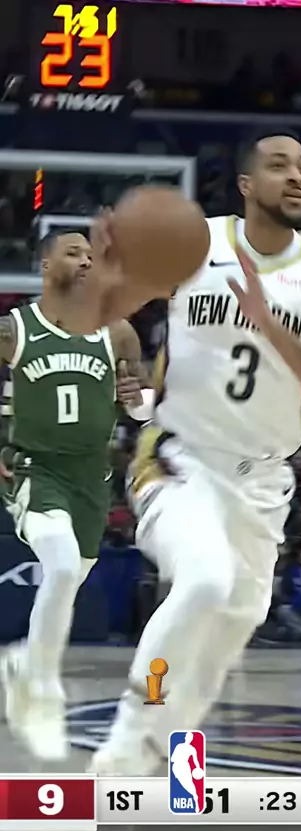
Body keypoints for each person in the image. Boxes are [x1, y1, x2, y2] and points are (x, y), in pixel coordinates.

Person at [90, 128, 301, 775]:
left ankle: (163, 756)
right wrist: (108, 276)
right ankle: (126, 742)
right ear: (246, 184)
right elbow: (106, 311)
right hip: (179, 459)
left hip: (263, 482)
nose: (296, 176)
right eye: (279, 165)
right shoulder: (196, 245)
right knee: (205, 579)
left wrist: (270, 323)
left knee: (231, 629)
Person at [0, 231, 151, 761]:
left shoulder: (118, 332)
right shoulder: (14, 329)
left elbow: (142, 410)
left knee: (71, 574)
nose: (86, 261)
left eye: (90, 254)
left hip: (92, 480)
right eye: (73, 253)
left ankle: (23, 662)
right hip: (35, 468)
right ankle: (41, 693)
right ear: (45, 266)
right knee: (62, 567)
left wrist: (138, 399)